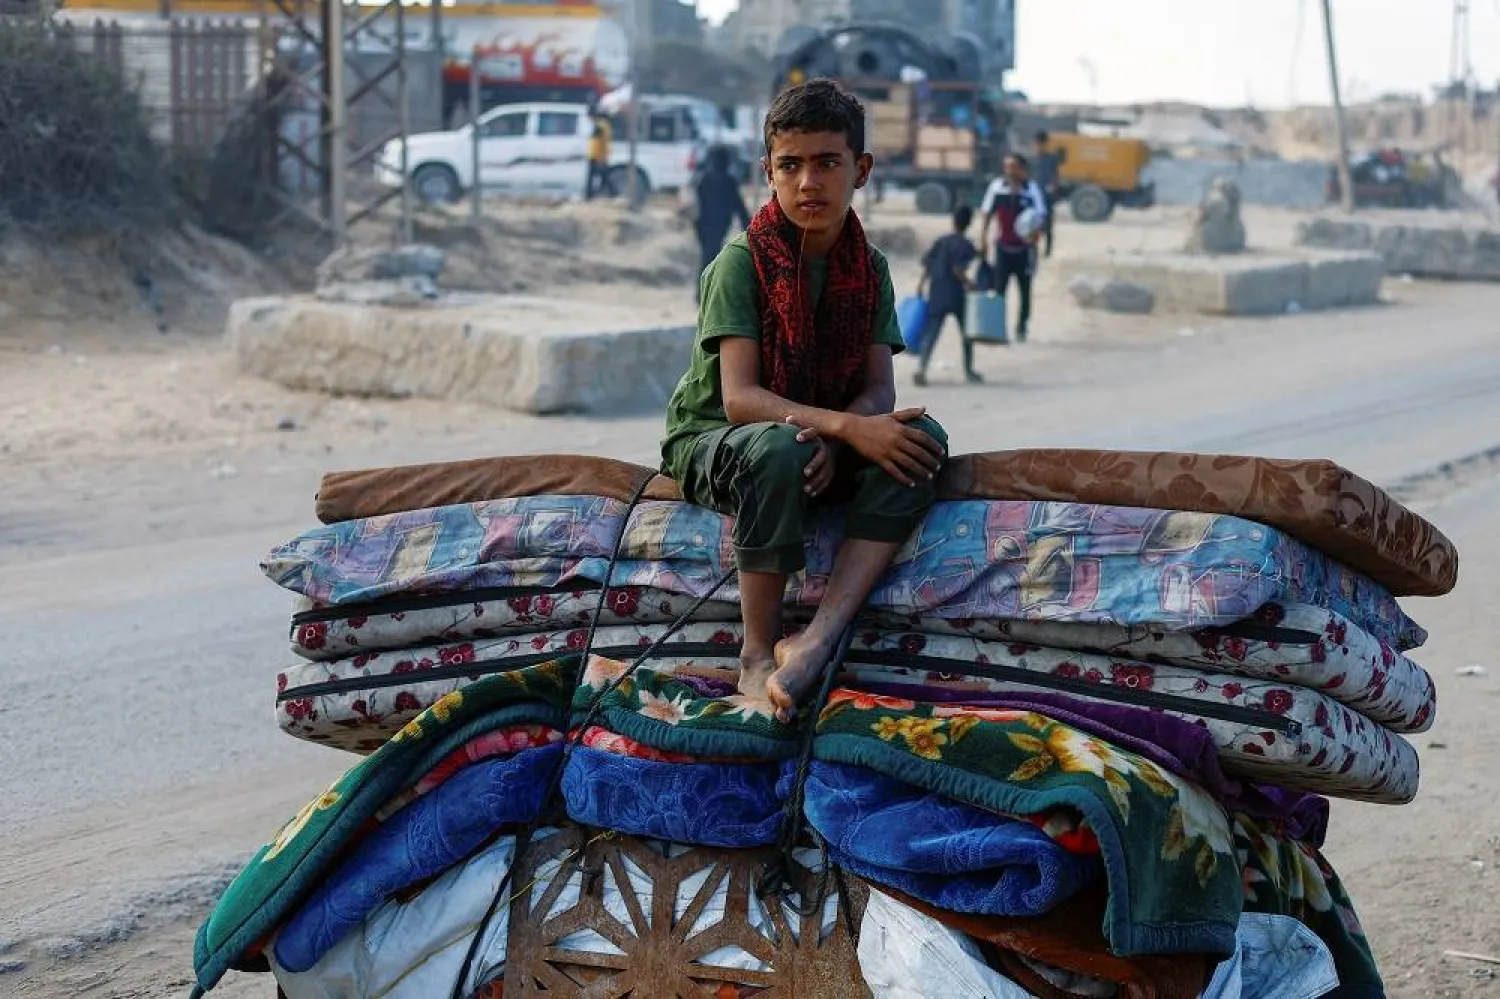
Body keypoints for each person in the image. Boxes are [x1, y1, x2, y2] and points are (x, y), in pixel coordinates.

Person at [660, 79, 948, 723]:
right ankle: (757, 654)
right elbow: (739, 399)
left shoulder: (868, 268)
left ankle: (817, 638)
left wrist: (848, 431)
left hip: (817, 431)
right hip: (721, 437)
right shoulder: (741, 262)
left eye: (827, 163)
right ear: (768, 173)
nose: (807, 182)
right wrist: (836, 428)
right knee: (779, 446)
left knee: (923, 441)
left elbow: (879, 388)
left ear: (861, 170)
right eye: (790, 165)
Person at [979, 153, 1047, 342]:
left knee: (1025, 291)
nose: (1009, 170)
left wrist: (1036, 234)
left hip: (1025, 250)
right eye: (1007, 166)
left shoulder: (1031, 190)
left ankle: (1022, 329)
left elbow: (1041, 216)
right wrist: (982, 238)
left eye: (1013, 166)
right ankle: (998, 329)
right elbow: (986, 213)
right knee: (1000, 291)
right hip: (1002, 248)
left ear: (1022, 169)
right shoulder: (997, 188)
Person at [914, 204, 980, 386]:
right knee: (967, 333)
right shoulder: (966, 245)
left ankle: (921, 369)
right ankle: (969, 371)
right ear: (969, 223)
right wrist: (971, 284)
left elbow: (927, 264)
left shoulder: (941, 241)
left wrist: (921, 285)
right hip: (956, 294)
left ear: (953, 221)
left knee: (932, 333)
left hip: (937, 291)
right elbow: (958, 270)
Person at [692, 145, 752, 300]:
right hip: (718, 225)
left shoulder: (703, 179)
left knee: (707, 255)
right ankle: (704, 293)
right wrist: (749, 225)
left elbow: (696, 203)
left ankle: (702, 293)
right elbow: (739, 205)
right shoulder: (728, 181)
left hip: (702, 225)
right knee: (710, 257)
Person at [1031, 131, 1065, 257]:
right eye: (1036, 144)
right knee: (1032, 223)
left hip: (1047, 196)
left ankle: (1048, 250)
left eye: (1041, 144)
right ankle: (1033, 247)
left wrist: (1053, 187)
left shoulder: (1051, 159)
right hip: (1034, 195)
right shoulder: (1031, 159)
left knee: (1048, 225)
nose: (1038, 147)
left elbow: (1056, 176)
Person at [585, 113, 615, 199]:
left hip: (596, 156)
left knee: (595, 176)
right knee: (602, 176)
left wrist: (602, 157)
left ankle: (589, 196)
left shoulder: (600, 127)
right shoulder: (602, 125)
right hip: (596, 155)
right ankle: (611, 193)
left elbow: (601, 143)